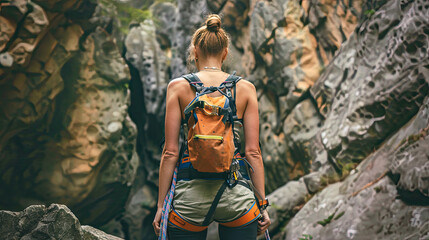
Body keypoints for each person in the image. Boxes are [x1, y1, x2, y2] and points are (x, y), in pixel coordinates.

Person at [153, 14, 271, 240]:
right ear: (225, 53)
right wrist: (262, 204)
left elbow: (170, 152)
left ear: (195, 51)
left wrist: (161, 206)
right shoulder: (246, 89)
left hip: (190, 196)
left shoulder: (178, 87)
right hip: (236, 193)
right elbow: (253, 152)